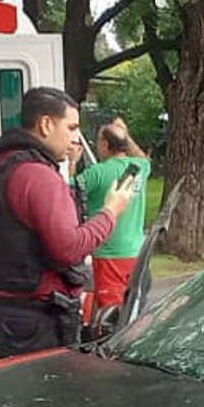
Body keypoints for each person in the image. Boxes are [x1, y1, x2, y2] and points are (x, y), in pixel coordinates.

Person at [0, 87, 135, 355]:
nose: (75, 139)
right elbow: (69, 249)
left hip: (8, 310)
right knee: (48, 395)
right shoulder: (38, 176)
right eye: (71, 128)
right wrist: (110, 211)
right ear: (46, 124)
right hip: (40, 317)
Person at [78, 118, 151, 320]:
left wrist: (71, 163)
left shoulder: (97, 173)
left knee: (110, 314)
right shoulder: (139, 168)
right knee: (132, 309)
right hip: (136, 251)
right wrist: (125, 135)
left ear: (104, 144)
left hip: (110, 254)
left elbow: (66, 191)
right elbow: (142, 157)